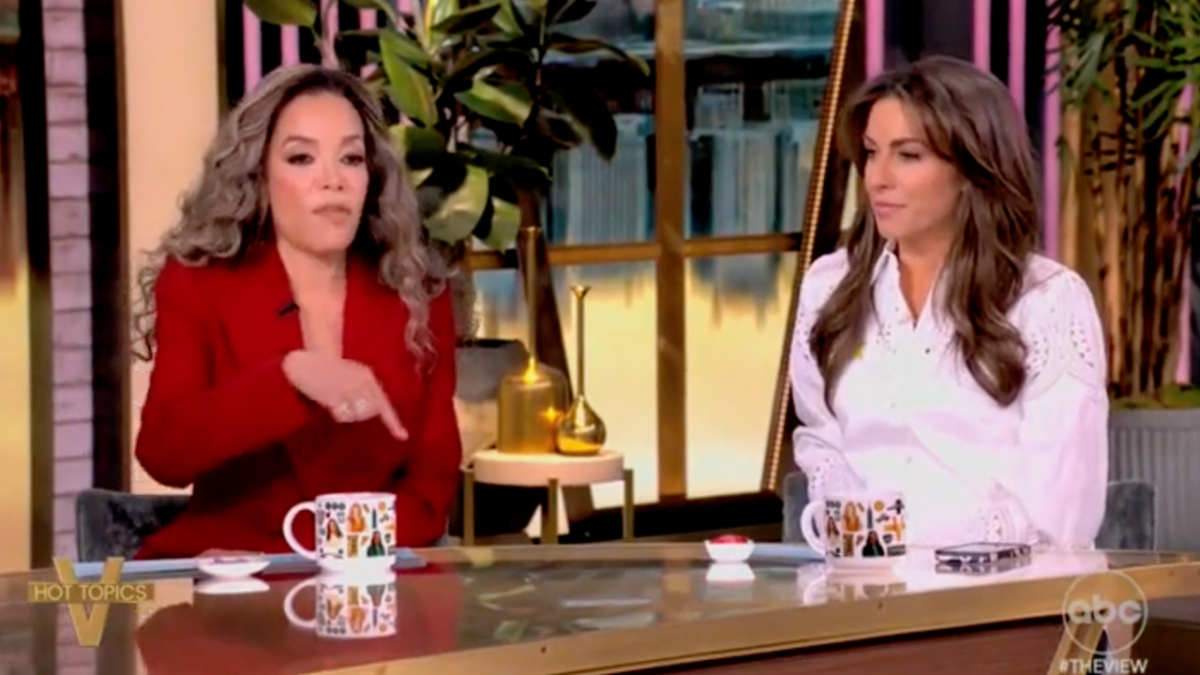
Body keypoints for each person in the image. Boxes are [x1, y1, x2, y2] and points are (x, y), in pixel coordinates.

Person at [130, 64, 462, 559]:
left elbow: (430, 492)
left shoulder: (420, 293)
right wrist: (287, 378)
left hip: (370, 577)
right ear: (259, 175)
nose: (333, 181)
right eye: (302, 158)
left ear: (371, 177)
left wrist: (323, 551)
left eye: (351, 158)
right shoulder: (199, 282)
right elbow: (164, 453)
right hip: (227, 579)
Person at [789, 56, 1108, 549]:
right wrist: (860, 541)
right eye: (871, 153)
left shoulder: (1047, 301)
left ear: (970, 169)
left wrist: (903, 538)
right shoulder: (830, 287)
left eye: (908, 155)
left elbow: (1061, 519)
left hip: (1008, 587)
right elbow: (822, 440)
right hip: (861, 583)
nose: (877, 178)